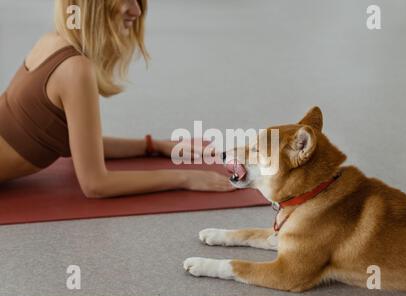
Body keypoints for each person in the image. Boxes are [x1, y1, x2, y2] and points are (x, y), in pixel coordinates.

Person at [0, 0, 234, 198]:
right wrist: (184, 178)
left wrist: (152, 146)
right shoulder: (75, 69)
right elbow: (95, 183)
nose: (137, 10)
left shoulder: (53, 40)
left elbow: (75, 142)